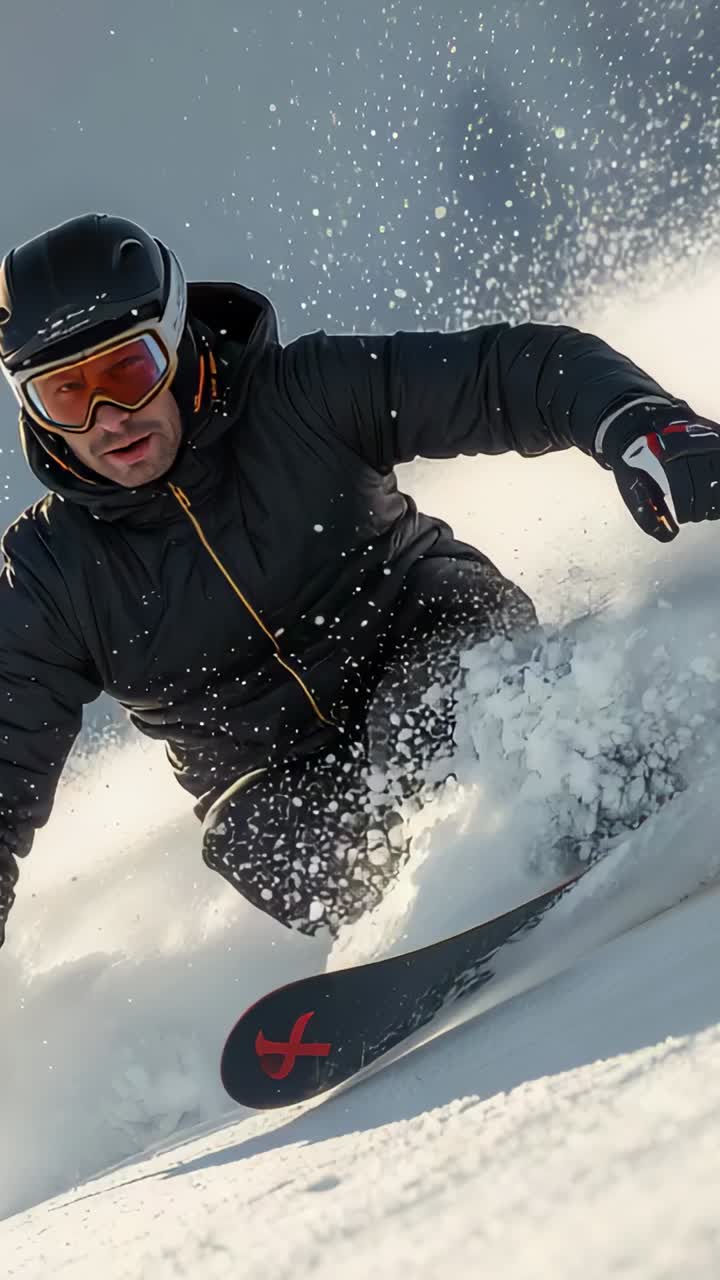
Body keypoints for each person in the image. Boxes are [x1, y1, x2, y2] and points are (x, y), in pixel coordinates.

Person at [0, 213, 718, 947]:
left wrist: (636, 421)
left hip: (436, 646)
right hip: (273, 775)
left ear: (177, 339)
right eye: (66, 395)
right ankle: (438, 924)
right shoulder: (48, 574)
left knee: (422, 721)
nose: (108, 417)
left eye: (128, 371)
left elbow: (506, 372)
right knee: (256, 839)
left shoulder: (301, 400)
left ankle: (631, 785)